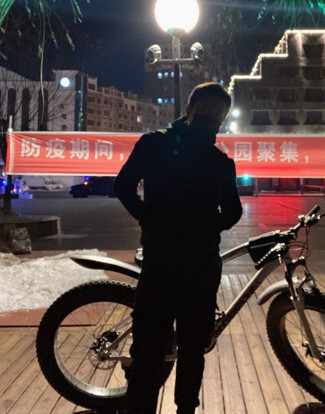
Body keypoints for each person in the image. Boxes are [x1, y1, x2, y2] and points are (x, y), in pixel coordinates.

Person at [114, 82, 243, 414]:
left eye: (216, 115)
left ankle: (154, 407)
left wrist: (149, 218)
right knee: (186, 350)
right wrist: (207, 226)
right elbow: (233, 213)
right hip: (192, 265)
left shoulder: (156, 145)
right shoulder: (214, 161)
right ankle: (182, 409)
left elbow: (123, 186)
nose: (211, 121)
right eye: (209, 113)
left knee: (155, 349)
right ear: (190, 109)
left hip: (169, 262)